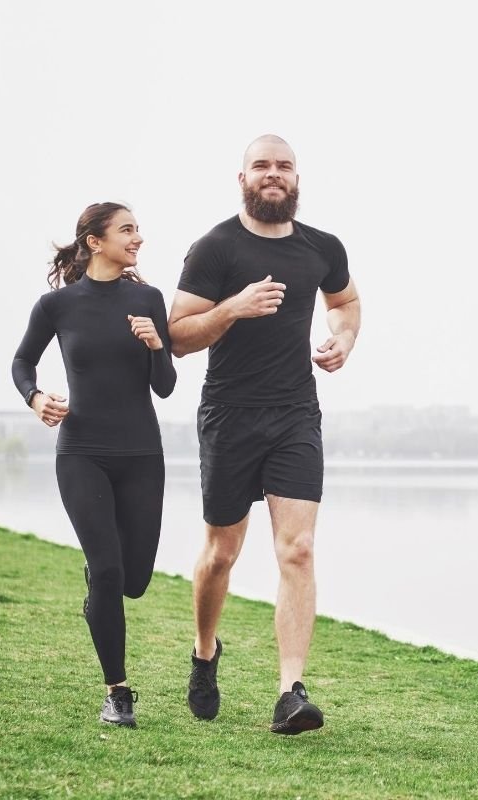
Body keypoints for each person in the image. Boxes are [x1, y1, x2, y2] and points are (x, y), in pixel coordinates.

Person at [169, 134, 360, 734]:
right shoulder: (215, 247)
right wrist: (234, 308)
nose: (273, 174)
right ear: (242, 178)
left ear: (297, 178)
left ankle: (290, 693)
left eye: (284, 166)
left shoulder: (321, 248)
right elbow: (177, 335)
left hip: (295, 414)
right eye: (262, 166)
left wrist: (345, 338)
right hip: (229, 414)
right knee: (222, 553)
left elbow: (346, 301)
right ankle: (205, 654)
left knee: (297, 549)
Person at [11, 202, 176, 728]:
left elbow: (166, 386)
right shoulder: (56, 306)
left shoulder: (148, 299)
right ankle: (118, 692)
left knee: (135, 579)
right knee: (107, 571)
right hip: (81, 453)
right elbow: (21, 361)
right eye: (128, 230)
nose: (139, 239)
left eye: (138, 230)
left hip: (142, 455)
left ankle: (101, 584)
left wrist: (155, 345)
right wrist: (36, 398)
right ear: (95, 241)